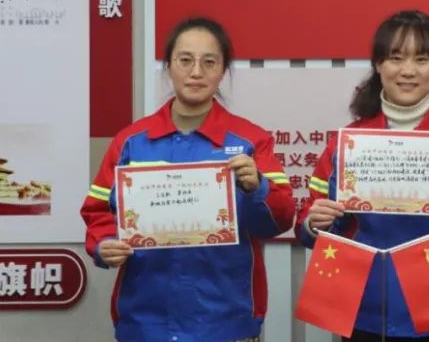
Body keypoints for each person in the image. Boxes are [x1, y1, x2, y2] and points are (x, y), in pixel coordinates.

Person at [296, 10, 429, 342]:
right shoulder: (347, 143)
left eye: (422, 59)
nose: (408, 71)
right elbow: (311, 226)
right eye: (396, 58)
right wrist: (315, 223)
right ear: (378, 64)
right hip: (365, 309)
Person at [81, 17, 295, 342]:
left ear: (222, 70)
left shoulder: (251, 141)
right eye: (185, 60)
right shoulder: (131, 142)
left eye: (209, 62)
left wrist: (257, 187)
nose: (196, 72)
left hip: (226, 319)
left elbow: (279, 221)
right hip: (145, 319)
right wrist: (103, 244)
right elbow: (98, 212)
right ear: (168, 67)